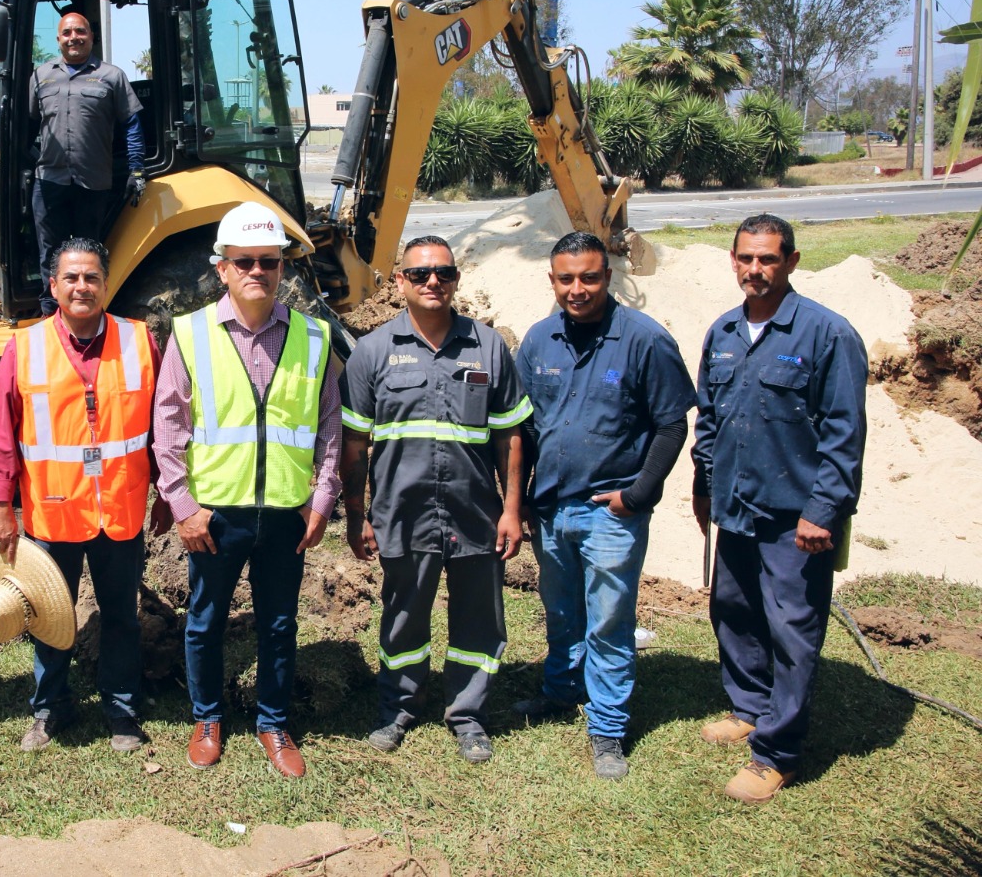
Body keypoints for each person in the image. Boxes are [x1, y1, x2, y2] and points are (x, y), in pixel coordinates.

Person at [153, 202, 341, 779]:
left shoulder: (314, 335)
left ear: (282, 267)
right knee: (207, 619)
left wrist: (323, 496)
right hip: (217, 514)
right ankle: (208, 718)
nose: (258, 271)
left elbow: (329, 423)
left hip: (287, 512)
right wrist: (182, 506)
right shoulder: (189, 335)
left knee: (279, 623)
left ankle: (273, 722)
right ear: (222, 268)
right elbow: (168, 427)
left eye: (269, 261)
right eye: (245, 261)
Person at [692, 213, 867, 803]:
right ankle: (749, 708)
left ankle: (778, 753)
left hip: (796, 517)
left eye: (768, 259)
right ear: (733, 260)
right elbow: (710, 419)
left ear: (791, 261)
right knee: (733, 610)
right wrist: (703, 484)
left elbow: (844, 432)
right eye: (746, 259)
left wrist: (824, 509)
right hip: (736, 506)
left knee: (793, 630)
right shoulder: (723, 333)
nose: (755, 270)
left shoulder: (826, 335)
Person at [340, 236, 530, 765]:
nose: (432, 282)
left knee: (479, 622)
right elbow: (354, 444)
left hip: (475, 514)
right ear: (399, 281)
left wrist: (512, 509)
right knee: (403, 616)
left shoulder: (489, 347)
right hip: (402, 513)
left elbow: (510, 436)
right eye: (420, 273)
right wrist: (357, 516)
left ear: (455, 280)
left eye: (443, 272)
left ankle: (467, 714)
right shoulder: (373, 351)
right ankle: (398, 706)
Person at [512, 231, 695, 779]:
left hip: (609, 511)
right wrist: (517, 501)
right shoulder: (539, 340)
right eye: (566, 278)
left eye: (589, 277)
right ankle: (561, 689)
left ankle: (608, 727)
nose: (578, 289)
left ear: (608, 277)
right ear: (552, 280)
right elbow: (522, 427)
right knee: (561, 609)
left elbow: (670, 424)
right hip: (550, 508)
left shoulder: (644, 339)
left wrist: (638, 495)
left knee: (610, 620)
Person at [0, 237, 168, 753]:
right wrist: (1, 504)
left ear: (107, 285)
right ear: (54, 286)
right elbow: (2, 432)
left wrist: (170, 493)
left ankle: (122, 710)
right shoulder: (25, 347)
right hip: (52, 513)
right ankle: (50, 708)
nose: (82, 286)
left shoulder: (139, 341)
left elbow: (163, 428)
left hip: (121, 510)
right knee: (47, 617)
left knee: (121, 616)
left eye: (91, 278)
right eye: (71, 278)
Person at [29, 11, 145, 315]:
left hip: (93, 182)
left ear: (91, 36)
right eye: (67, 33)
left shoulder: (111, 76)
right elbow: (28, 126)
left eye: (80, 32)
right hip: (49, 180)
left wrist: (136, 169)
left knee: (88, 253)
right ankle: (50, 313)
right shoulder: (41, 75)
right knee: (49, 253)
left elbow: (131, 124)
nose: (73, 38)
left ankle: (88, 313)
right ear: (58, 39)